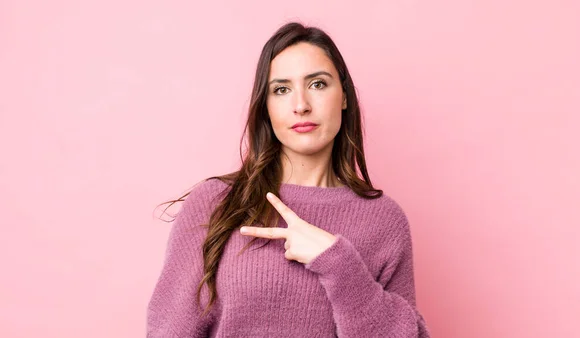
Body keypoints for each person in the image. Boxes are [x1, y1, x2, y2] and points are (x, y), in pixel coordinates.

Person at [147, 21, 430, 337]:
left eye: (318, 84)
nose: (301, 105)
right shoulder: (215, 203)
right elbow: (168, 331)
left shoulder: (384, 220)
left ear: (345, 96)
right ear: (266, 107)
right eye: (281, 89)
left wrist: (339, 265)